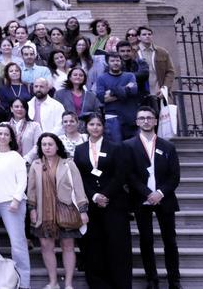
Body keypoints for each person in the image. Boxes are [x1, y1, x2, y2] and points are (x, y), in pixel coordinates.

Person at [72, 113, 132, 289]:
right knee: (94, 247)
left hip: (114, 203)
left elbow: (121, 175)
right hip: (92, 206)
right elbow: (79, 177)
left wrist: (105, 194)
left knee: (118, 246)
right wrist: (95, 196)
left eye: (99, 124)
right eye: (92, 124)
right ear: (86, 127)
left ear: (103, 127)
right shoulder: (80, 149)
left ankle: (120, 284)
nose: (95, 128)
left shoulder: (116, 147)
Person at [126, 107, 181, 289]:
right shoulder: (128, 146)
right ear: (137, 122)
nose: (146, 121)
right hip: (142, 200)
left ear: (156, 121)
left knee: (170, 241)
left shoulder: (168, 146)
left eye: (149, 118)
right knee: (146, 240)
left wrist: (160, 193)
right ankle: (152, 279)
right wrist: (147, 193)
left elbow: (175, 176)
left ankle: (174, 280)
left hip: (164, 199)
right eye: (142, 118)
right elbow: (129, 175)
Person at [27, 133, 89, 289]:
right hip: (43, 212)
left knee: (68, 246)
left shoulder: (68, 164)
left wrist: (83, 210)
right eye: (44, 144)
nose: (47, 147)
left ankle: (68, 284)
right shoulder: (36, 165)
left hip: (65, 211)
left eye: (50, 144)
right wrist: (32, 209)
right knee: (46, 246)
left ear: (57, 146)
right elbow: (32, 190)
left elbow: (79, 188)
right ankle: (53, 282)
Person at [0, 124, 31, 289]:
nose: (2, 136)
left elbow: (22, 180)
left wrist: (17, 199)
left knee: (17, 244)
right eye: (0, 133)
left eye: (6, 134)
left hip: (12, 204)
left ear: (11, 138)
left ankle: (24, 283)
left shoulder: (16, 157)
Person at [95, 52, 140, 142]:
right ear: (108, 62)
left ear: (121, 62)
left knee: (134, 147)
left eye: (117, 60)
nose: (115, 63)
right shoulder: (102, 78)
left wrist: (112, 92)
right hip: (112, 118)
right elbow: (102, 98)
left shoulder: (130, 76)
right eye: (112, 61)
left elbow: (134, 90)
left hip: (130, 117)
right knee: (116, 148)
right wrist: (126, 90)